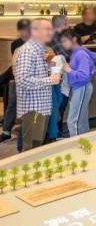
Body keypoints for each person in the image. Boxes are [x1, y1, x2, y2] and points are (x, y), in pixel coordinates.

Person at [14, 19, 61, 151]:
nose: (51, 32)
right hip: (34, 109)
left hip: (40, 108)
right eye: (47, 29)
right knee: (31, 149)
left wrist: (48, 67)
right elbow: (22, 80)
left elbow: (33, 75)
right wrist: (49, 80)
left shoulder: (39, 50)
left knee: (36, 146)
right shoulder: (28, 51)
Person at [59, 29, 96, 137]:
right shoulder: (77, 53)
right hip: (80, 87)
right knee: (81, 120)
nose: (63, 44)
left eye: (65, 41)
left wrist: (69, 70)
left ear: (74, 39)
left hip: (82, 86)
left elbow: (85, 75)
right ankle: (84, 142)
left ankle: (75, 144)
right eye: (62, 42)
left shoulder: (80, 54)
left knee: (73, 121)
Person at [0, 19, 31, 143]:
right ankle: (6, 131)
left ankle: (22, 132)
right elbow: (16, 63)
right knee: (12, 103)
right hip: (18, 78)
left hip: (29, 79)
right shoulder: (16, 44)